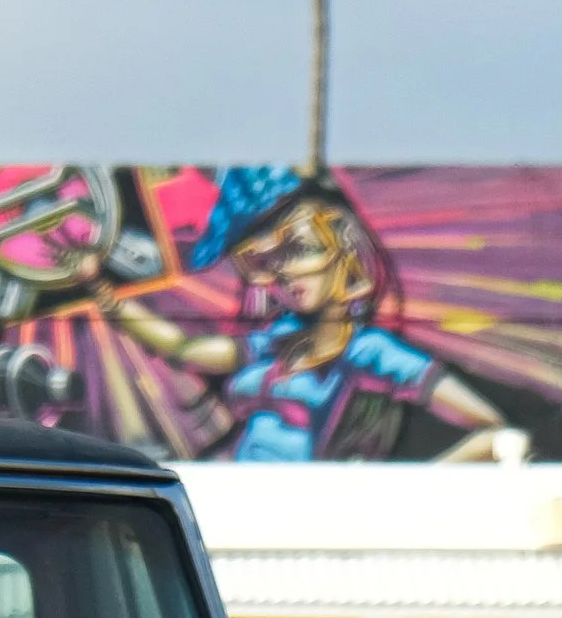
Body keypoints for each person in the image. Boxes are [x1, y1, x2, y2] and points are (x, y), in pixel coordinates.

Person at [105, 167, 506, 463]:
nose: (284, 271)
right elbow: (184, 348)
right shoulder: (276, 341)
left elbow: (494, 429)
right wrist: (106, 298)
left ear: (346, 250)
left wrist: (402, 493)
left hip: (298, 510)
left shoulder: (367, 350)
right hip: (234, 503)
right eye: (262, 261)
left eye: (298, 248)